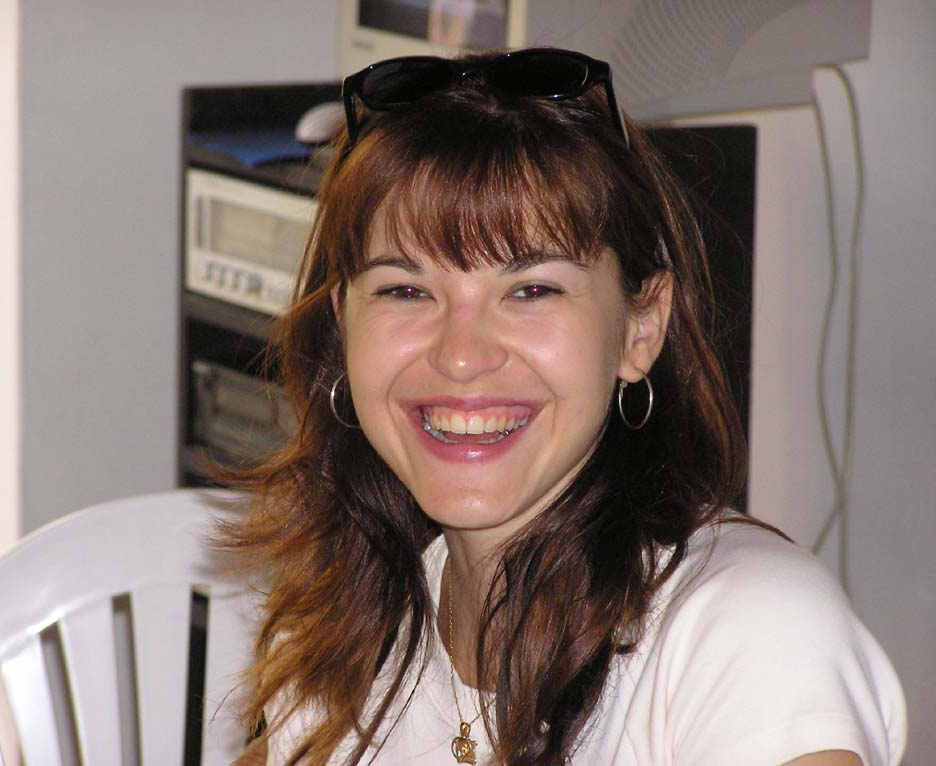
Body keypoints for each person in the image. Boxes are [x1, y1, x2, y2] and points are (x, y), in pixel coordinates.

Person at [223, 48, 906, 766]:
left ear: (640, 329)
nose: (461, 355)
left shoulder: (753, 634)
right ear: (343, 326)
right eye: (406, 290)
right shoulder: (346, 626)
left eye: (531, 291)